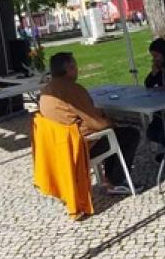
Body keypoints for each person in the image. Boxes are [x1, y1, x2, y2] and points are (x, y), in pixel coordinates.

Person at [39, 52, 139, 193]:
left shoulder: (46, 91)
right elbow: (97, 123)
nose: (78, 69)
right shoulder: (72, 89)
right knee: (129, 134)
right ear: (69, 68)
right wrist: (110, 121)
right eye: (76, 65)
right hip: (80, 146)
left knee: (113, 133)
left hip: (60, 146)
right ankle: (115, 181)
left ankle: (109, 177)